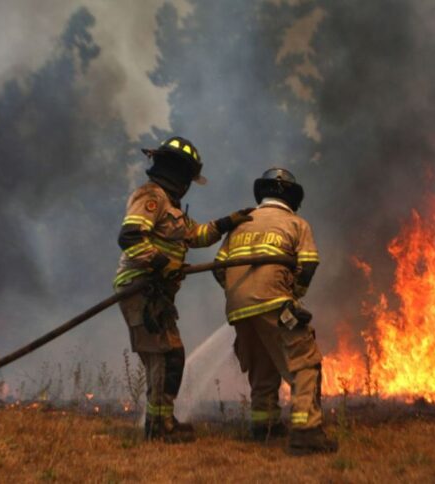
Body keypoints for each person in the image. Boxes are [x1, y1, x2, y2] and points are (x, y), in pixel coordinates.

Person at [114, 136, 252, 443]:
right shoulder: (151, 196)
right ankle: (158, 427)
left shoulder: (171, 207)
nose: (189, 184)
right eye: (189, 178)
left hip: (157, 292)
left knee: (170, 356)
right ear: (179, 173)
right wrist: (163, 263)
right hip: (141, 288)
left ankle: (162, 421)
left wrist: (228, 222)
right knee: (163, 355)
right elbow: (130, 237)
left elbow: (197, 235)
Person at [213, 167, 338, 455]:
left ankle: (263, 425)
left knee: (262, 366)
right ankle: (306, 433)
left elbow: (219, 269)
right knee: (305, 363)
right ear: (292, 198)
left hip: (238, 309)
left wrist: (238, 294)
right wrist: (294, 296)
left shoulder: (240, 225)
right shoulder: (296, 223)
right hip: (275, 302)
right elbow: (308, 264)